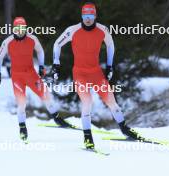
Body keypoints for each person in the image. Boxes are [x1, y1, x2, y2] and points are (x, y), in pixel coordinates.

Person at [52, 2, 143, 149]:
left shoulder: (103, 30)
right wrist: (56, 65)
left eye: (90, 15)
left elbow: (111, 45)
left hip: (96, 73)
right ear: (82, 16)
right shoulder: (72, 30)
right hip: (80, 73)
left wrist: (109, 65)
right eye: (85, 15)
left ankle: (125, 129)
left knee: (111, 101)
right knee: (87, 103)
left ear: (95, 16)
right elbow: (57, 44)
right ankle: (88, 138)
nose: (88, 18)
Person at [0, 17, 73, 142]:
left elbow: (40, 51)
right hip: (17, 77)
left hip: (31, 74)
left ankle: (57, 118)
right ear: (13, 29)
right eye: (17, 28)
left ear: (26, 28)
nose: (20, 31)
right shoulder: (7, 42)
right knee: (21, 103)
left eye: (22, 28)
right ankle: (22, 127)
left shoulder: (32, 39)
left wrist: (41, 66)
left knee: (45, 94)